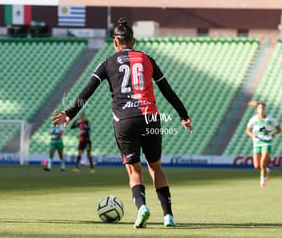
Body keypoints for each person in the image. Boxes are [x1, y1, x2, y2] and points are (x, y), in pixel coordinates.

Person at [52, 18, 192, 229]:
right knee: (155, 167)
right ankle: (168, 216)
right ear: (133, 40)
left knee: (134, 171)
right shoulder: (147, 59)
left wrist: (70, 113)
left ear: (115, 43)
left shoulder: (107, 62)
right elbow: (167, 90)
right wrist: (183, 115)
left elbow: (87, 91)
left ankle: (142, 208)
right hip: (149, 117)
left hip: (125, 120)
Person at [245, 101, 280, 187]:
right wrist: (252, 135)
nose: (261, 110)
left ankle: (262, 181)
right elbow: (247, 130)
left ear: (265, 109)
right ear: (257, 110)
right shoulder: (253, 119)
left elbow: (279, 129)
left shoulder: (270, 119)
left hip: (267, 142)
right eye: (259, 108)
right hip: (257, 143)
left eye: (263, 108)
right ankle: (266, 170)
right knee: (257, 166)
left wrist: (273, 133)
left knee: (263, 162)